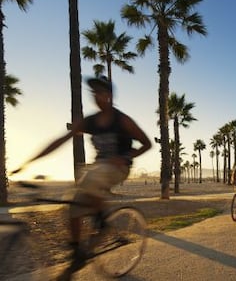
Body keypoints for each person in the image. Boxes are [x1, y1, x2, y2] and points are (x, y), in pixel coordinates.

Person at [12, 76, 152, 276]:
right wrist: (29, 161)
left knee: (90, 177)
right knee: (72, 204)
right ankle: (78, 255)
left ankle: (102, 223)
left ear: (110, 96)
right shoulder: (91, 121)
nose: (97, 96)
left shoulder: (123, 120)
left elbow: (147, 144)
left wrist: (126, 156)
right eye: (94, 93)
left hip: (118, 168)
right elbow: (62, 140)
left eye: (102, 93)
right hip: (97, 169)